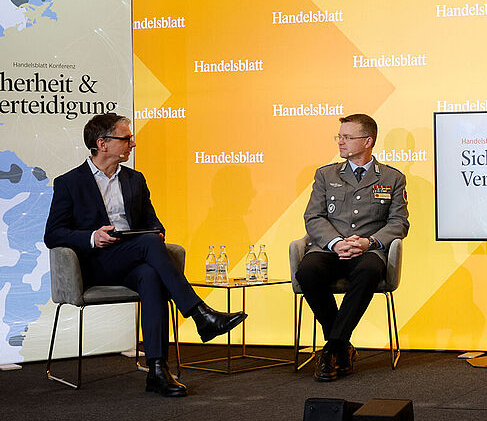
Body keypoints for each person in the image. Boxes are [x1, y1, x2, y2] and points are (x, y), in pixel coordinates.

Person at [44, 113, 246, 397]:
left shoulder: (135, 179)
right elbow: (53, 234)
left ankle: (157, 369)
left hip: (134, 259)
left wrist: (156, 234)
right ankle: (200, 314)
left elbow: (154, 224)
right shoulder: (69, 182)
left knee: (151, 274)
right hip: (95, 262)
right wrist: (92, 237)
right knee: (150, 245)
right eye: (126, 138)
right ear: (102, 143)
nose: (133, 143)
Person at [296, 113, 409, 382]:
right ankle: (340, 347)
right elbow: (314, 216)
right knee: (307, 271)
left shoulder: (393, 178)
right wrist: (336, 243)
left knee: (369, 270)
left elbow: (399, 222)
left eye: (347, 137)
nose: (341, 142)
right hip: (328, 249)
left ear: (368, 141)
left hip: (368, 251)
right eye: (339, 137)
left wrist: (369, 242)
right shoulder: (326, 174)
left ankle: (332, 349)